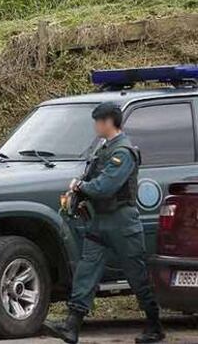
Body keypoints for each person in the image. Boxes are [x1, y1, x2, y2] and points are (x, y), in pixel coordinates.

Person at [46, 102, 165, 344]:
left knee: (136, 275)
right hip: (99, 221)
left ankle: (154, 325)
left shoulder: (123, 152)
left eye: (97, 121)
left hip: (122, 222)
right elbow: (91, 177)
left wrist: (81, 187)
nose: (95, 125)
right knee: (86, 270)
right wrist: (79, 190)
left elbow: (105, 186)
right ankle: (72, 325)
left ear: (109, 122)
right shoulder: (104, 148)